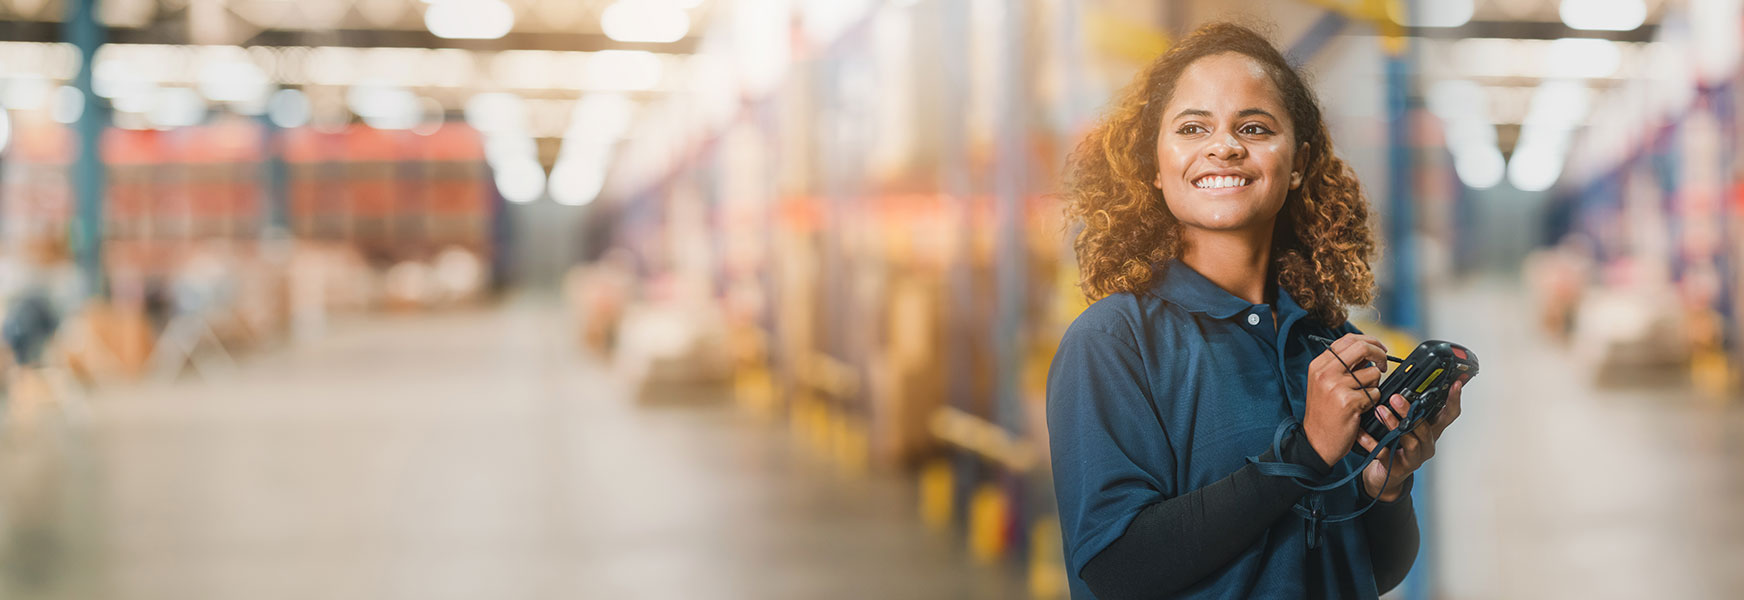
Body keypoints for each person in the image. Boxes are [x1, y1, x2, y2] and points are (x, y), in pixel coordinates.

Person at [1046, 23, 1466, 599]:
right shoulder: (1114, 342)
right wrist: (1305, 451)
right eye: (1193, 127)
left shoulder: (1330, 343)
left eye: (1254, 127)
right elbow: (1117, 568)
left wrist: (1385, 490)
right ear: (1154, 162)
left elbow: (1377, 570)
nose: (1224, 146)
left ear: (1297, 164)